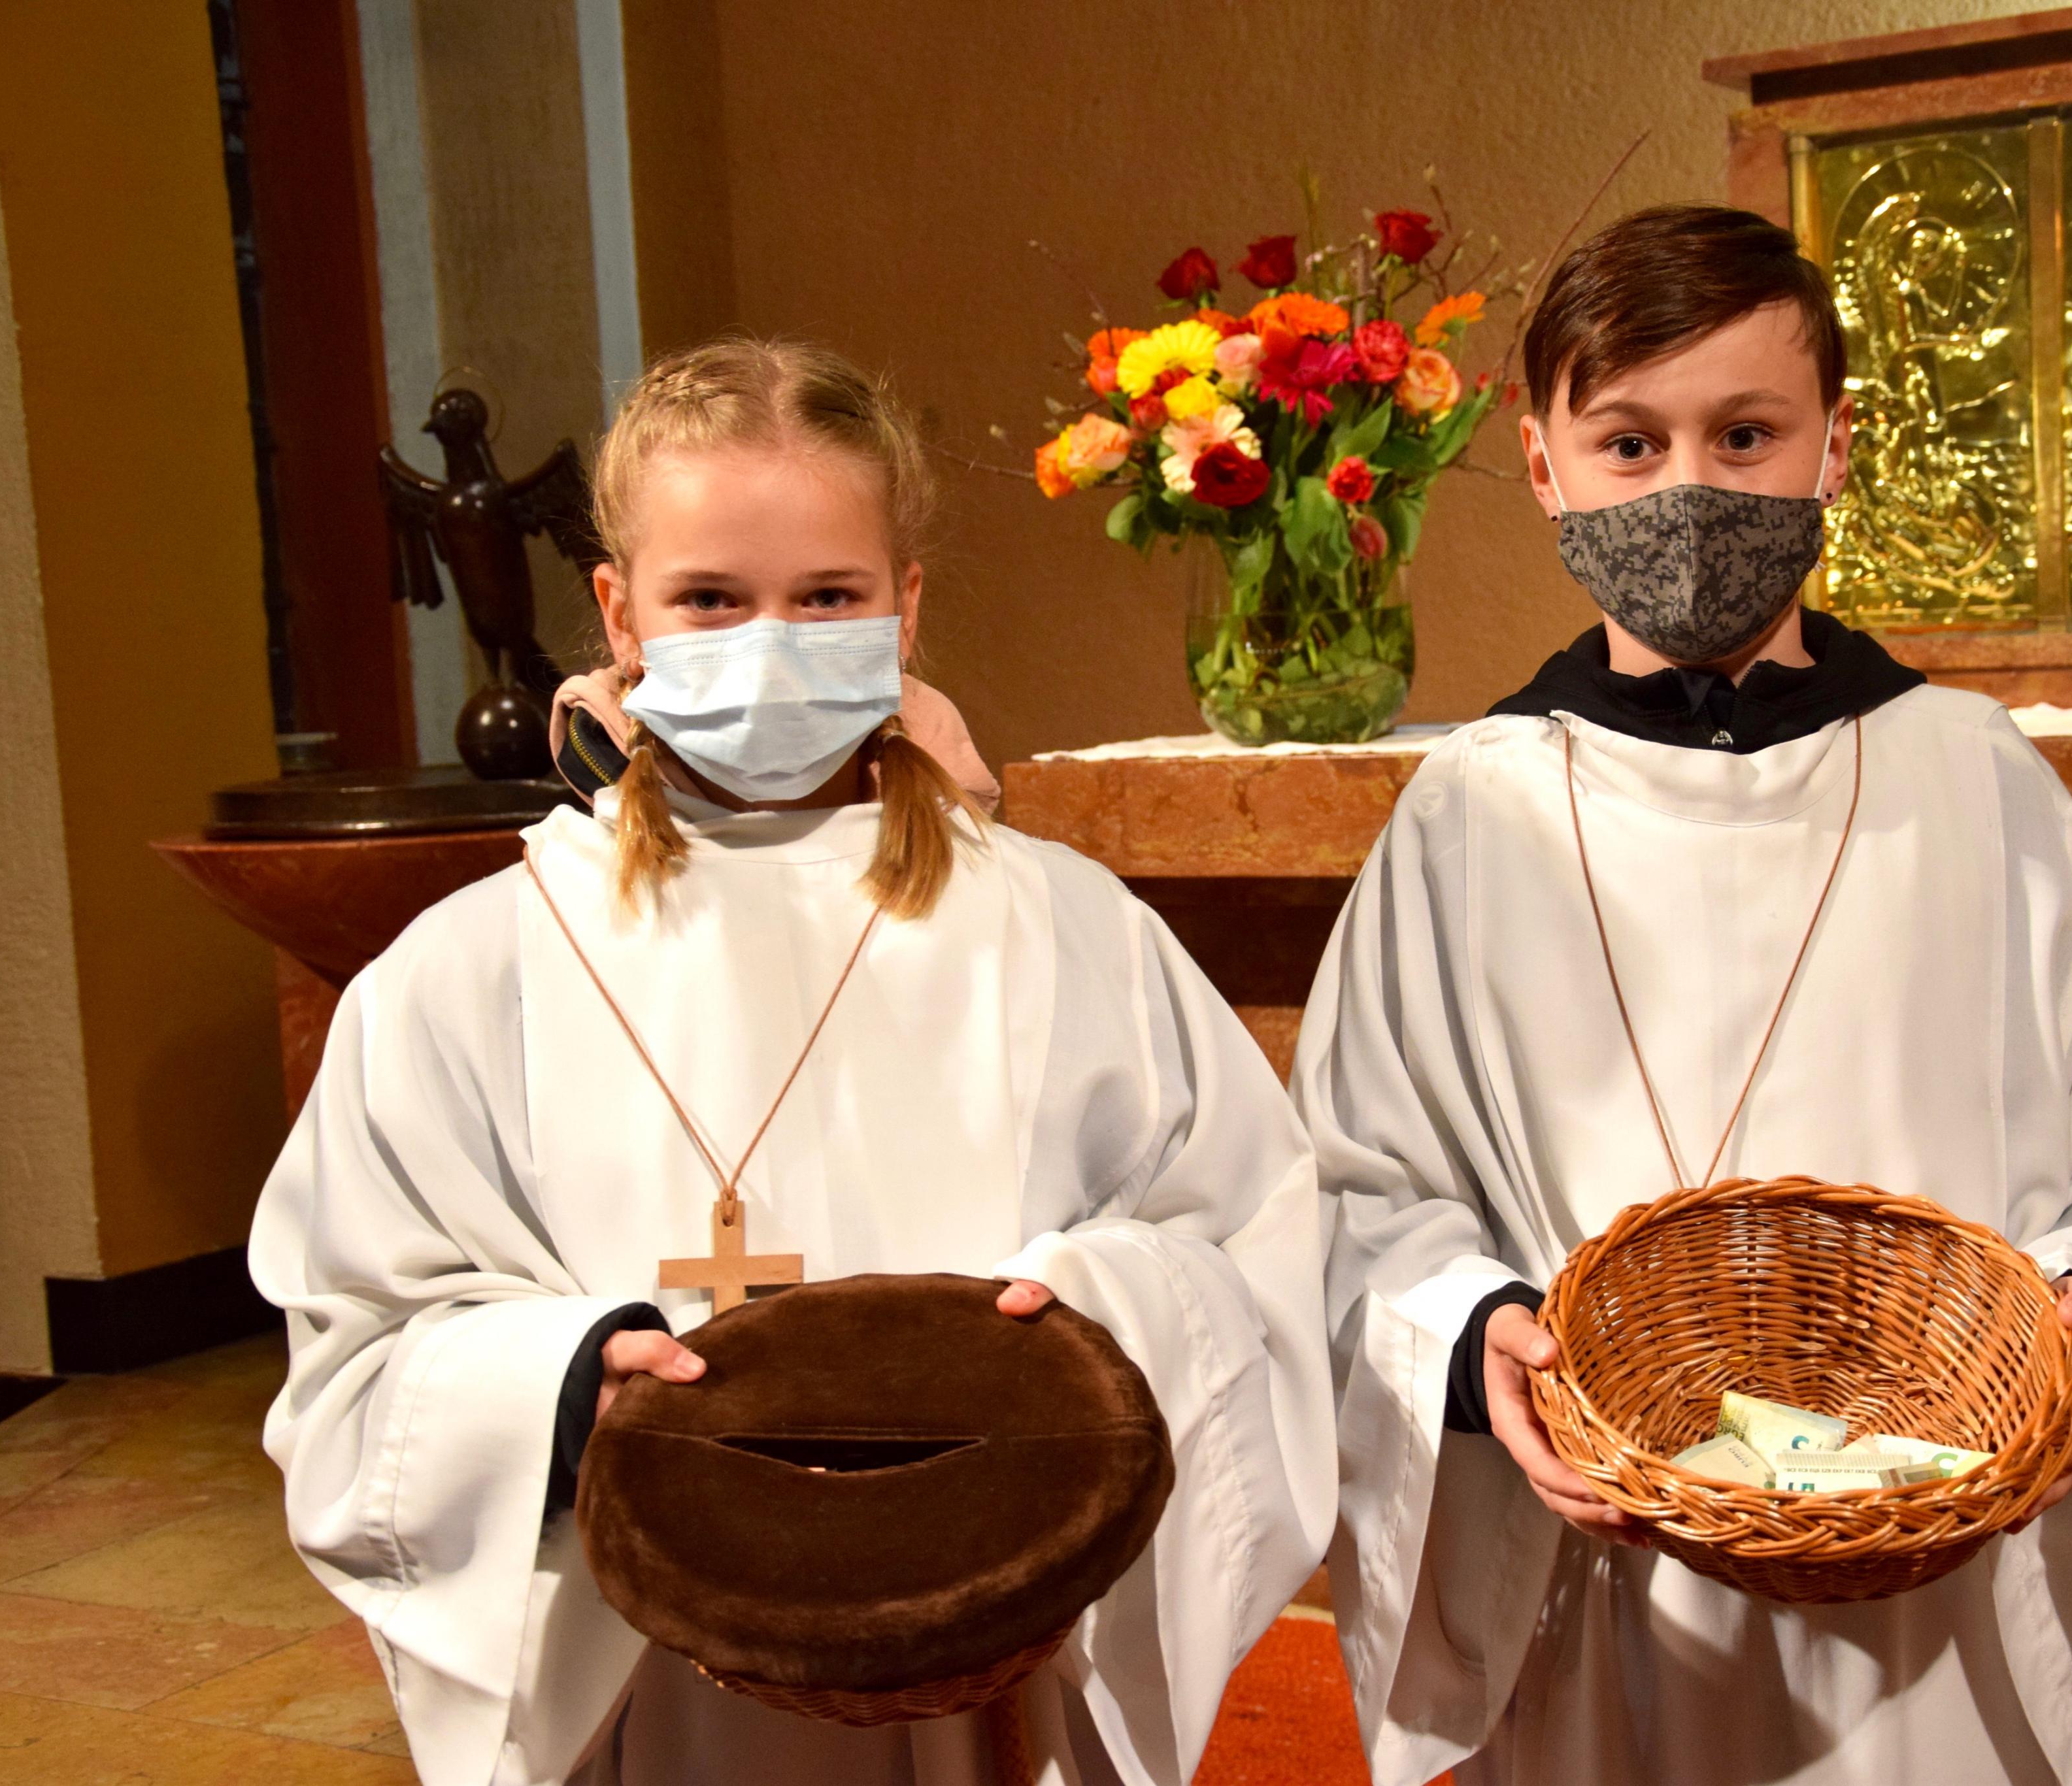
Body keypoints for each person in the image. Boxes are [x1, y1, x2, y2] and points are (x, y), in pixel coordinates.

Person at [253, 339, 1332, 1786]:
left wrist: (1080, 1324)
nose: (769, 639)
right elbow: (357, 1354)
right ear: (618, 613)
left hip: (988, 1654)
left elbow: (1249, 1253)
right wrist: (561, 1387)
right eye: (710, 598)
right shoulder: (468, 969)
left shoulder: (1064, 927)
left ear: (905, 609)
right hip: (646, 1688)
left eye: (826, 597)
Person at [1297, 206, 2072, 1786]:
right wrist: (1468, 1335)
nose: (1687, 491)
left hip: (1930, 1559)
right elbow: (1353, 1194)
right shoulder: (1467, 816)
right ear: (1542, 466)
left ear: (1836, 447)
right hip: (1605, 1574)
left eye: (1744, 435)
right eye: (1629, 443)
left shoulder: (1973, 781)